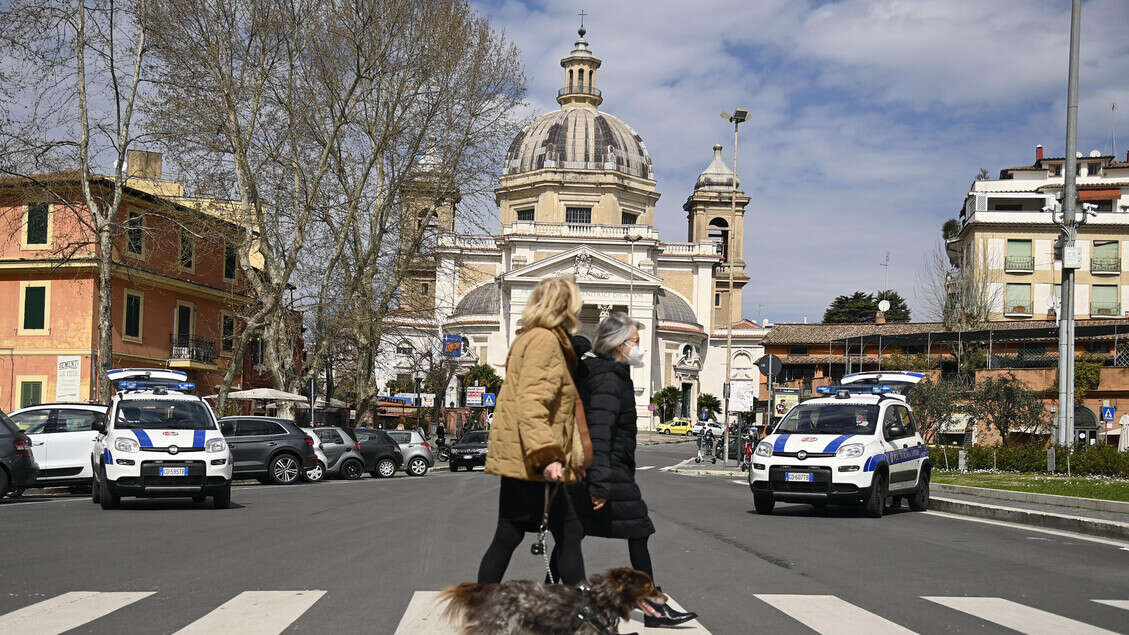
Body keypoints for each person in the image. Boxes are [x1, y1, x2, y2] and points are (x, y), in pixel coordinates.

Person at [553, 312, 698, 627]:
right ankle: (655, 608)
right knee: (637, 533)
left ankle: (554, 602)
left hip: (601, 473)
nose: (639, 347)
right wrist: (601, 485)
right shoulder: (607, 379)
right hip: (607, 474)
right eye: (635, 341)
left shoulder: (612, 375)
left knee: (571, 536)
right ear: (618, 345)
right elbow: (599, 434)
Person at [476, 275, 590, 586]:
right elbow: (533, 402)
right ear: (565, 306)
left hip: (520, 458)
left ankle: (482, 612)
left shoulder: (528, 337)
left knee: (509, 534)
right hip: (534, 462)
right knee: (569, 531)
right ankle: (581, 614)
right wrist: (549, 456)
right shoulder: (545, 341)